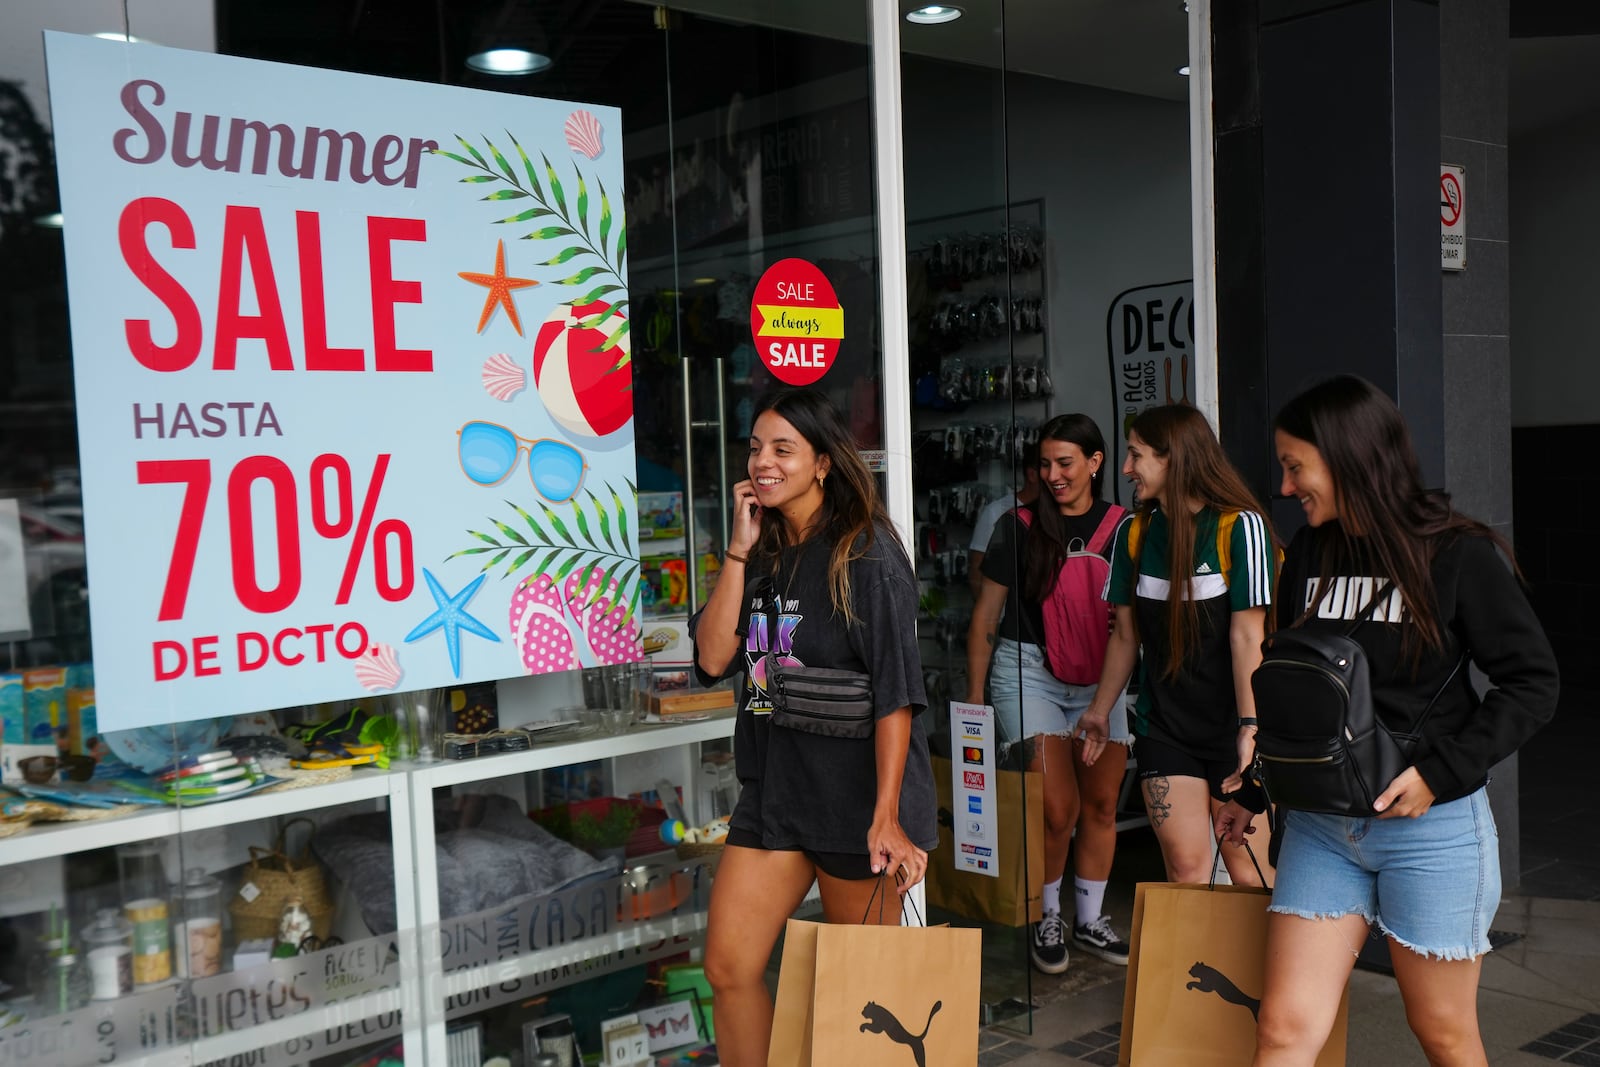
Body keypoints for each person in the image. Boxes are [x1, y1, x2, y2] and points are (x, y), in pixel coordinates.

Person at [1215, 376, 1558, 1066]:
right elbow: (1298, 691)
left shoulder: (1456, 554)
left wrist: (1438, 772)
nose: (1283, 488)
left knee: (1443, 1032)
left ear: (1347, 458)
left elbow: (1533, 683)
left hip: (1428, 833)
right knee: (1282, 1028)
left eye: (1294, 466)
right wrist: (1255, 787)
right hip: (1320, 828)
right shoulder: (1310, 552)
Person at [691, 387, 937, 1067]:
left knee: (870, 997)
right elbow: (715, 657)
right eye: (755, 447)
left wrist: (888, 817)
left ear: (823, 462)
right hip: (778, 795)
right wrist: (738, 551)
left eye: (782, 449)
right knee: (729, 966)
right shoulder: (765, 551)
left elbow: (896, 694)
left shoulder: (866, 553)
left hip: (860, 802)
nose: (762, 462)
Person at [1077, 404, 1276, 886]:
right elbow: (1126, 633)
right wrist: (1100, 711)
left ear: (1174, 459)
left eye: (1136, 455)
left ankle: (1260, 965)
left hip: (1234, 726)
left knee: (1249, 873)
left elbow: (1248, 634)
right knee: (1187, 873)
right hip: (1165, 727)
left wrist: (1251, 728)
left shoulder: (1238, 526)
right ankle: (1197, 965)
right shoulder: (1134, 532)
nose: (1126, 469)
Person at [965, 414, 1131, 973]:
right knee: (1058, 809)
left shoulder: (1124, 528)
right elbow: (987, 615)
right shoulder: (1017, 525)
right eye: (1044, 464)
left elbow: (1136, 624)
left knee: (1103, 804)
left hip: (1102, 677)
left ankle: (1089, 919)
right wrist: (973, 703)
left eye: (1065, 463)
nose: (1053, 475)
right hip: (1028, 670)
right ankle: (1047, 915)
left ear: (1095, 462)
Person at [968, 445, 1041, 598]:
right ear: (1032, 474)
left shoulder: (1054, 512)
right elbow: (976, 569)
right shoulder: (996, 512)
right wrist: (992, 617)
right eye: (1047, 467)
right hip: (1006, 614)